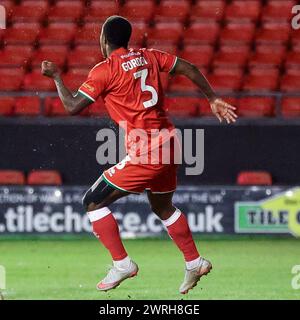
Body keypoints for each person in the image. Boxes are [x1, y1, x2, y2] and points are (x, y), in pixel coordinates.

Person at [41, 16, 237, 294]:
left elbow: (72, 105)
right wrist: (212, 98)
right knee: (162, 207)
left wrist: (57, 77)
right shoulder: (151, 56)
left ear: (104, 40)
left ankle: (122, 264)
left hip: (147, 152)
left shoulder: (105, 70)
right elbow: (190, 68)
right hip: (171, 144)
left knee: (92, 202)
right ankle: (194, 261)